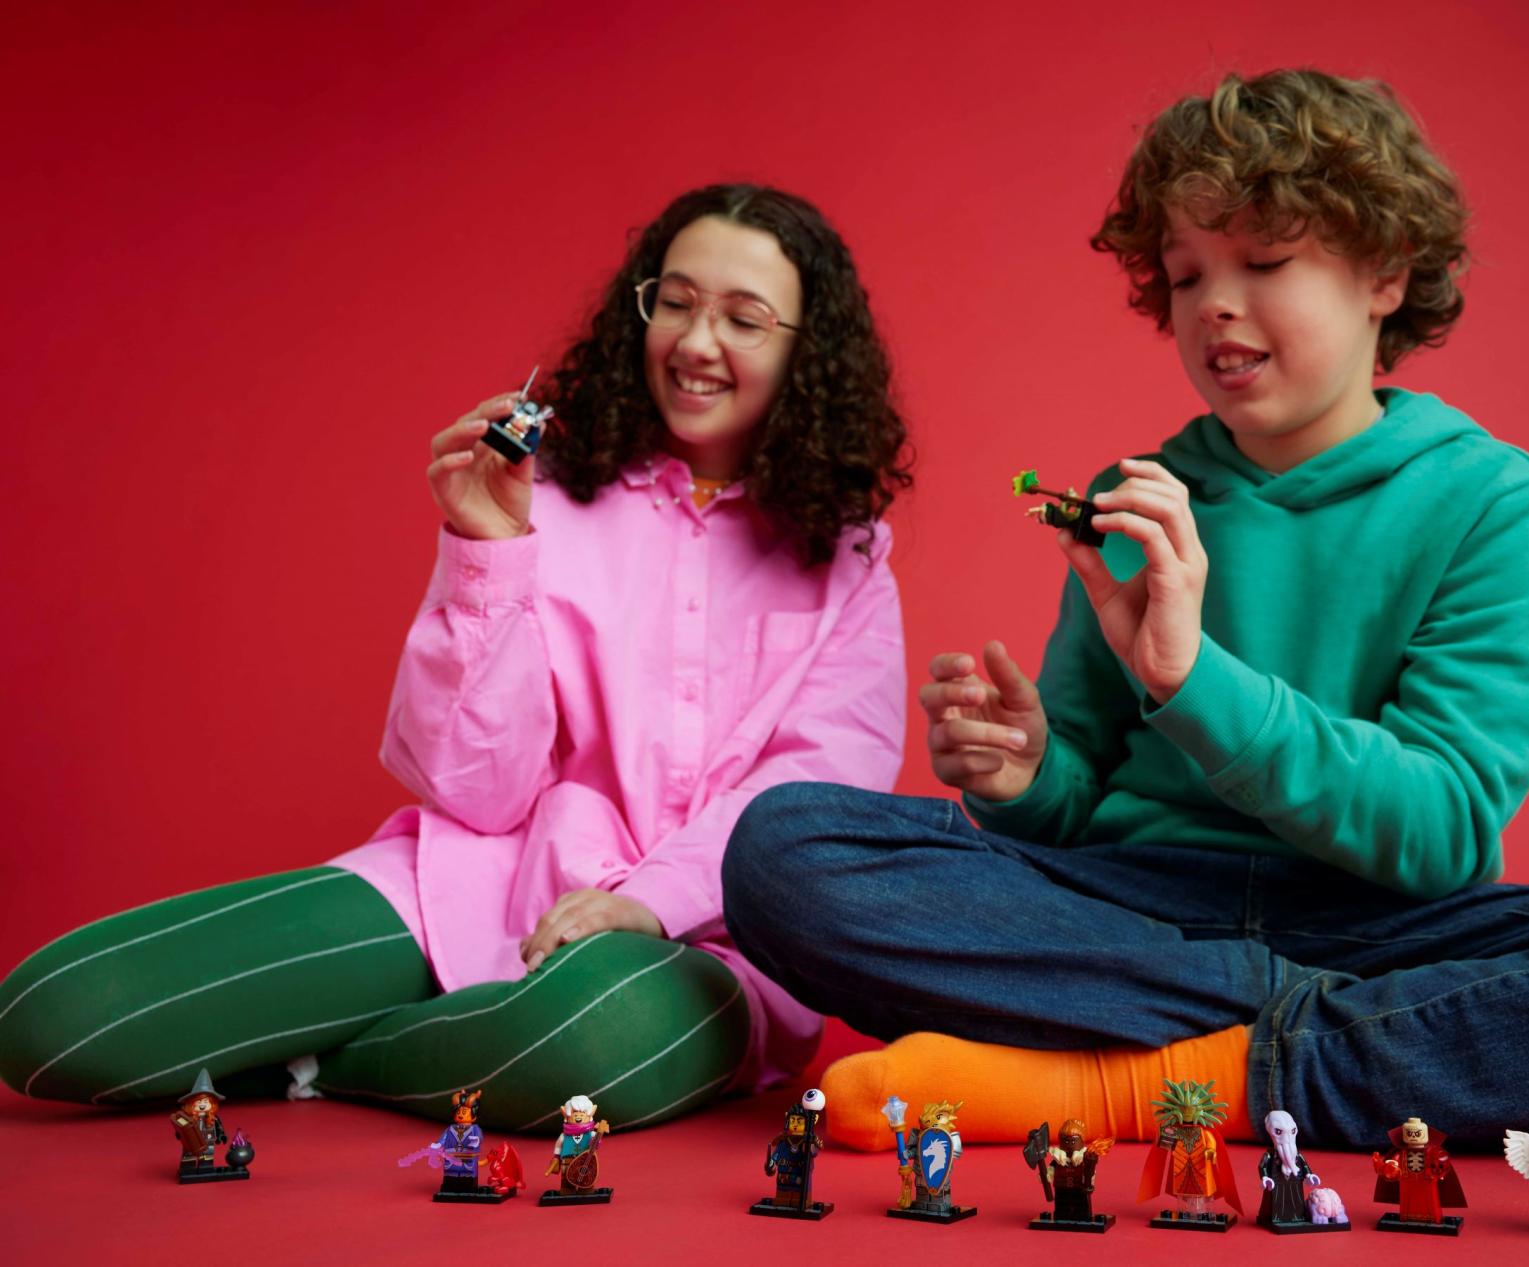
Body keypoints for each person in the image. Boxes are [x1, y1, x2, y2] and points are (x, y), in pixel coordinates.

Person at [720, 71, 1529, 1151]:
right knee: (783, 849)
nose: (1214, 307)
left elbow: (1439, 830)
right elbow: (1076, 812)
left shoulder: (1496, 502)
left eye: (1265, 261)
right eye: (1185, 276)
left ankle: (1141, 1079)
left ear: (1386, 275)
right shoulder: (1140, 495)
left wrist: (1194, 680)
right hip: (1137, 916)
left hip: (1389, 925)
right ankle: (1355, 1040)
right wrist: (1024, 777)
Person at [0, 184, 912, 1131]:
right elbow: (478, 792)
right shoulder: (538, 496)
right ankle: (443, 1038)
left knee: (590, 1040)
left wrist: (647, 901)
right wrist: (489, 549)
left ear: (807, 351)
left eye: (744, 319)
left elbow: (808, 798)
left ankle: (327, 1064)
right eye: (674, 302)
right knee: (57, 1016)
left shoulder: (850, 560)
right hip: (481, 884)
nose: (695, 342)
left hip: (706, 944)